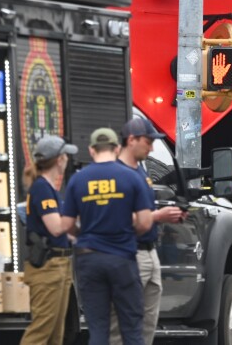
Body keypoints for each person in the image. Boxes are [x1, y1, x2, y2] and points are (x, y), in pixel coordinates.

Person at [61, 128, 154, 345]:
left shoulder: (78, 180)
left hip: (89, 259)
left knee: (98, 329)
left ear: (92, 150)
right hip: (122, 258)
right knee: (131, 327)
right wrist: (129, 232)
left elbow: (66, 225)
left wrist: (83, 233)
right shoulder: (132, 177)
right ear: (118, 148)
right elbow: (145, 222)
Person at [110, 116, 187, 345]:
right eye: (148, 141)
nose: (152, 147)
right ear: (131, 140)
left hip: (149, 252)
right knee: (121, 324)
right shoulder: (116, 174)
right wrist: (157, 216)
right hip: (129, 253)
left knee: (147, 325)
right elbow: (115, 219)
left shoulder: (141, 172)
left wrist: (167, 217)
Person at [21, 135, 78, 345]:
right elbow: (55, 228)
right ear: (59, 159)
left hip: (59, 264)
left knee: (56, 333)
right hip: (49, 268)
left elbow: (64, 231)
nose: (67, 160)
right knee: (41, 331)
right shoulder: (42, 188)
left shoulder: (48, 188)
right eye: (65, 155)